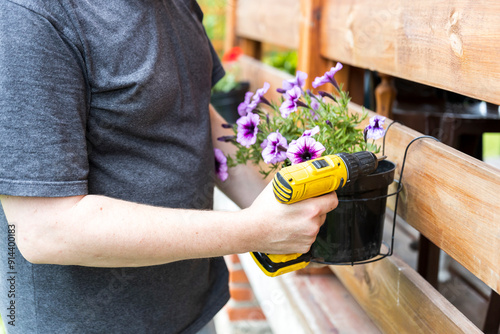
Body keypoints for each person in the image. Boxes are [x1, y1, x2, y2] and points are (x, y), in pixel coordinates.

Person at [0, 1, 338, 333]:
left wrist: (276, 194)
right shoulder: (27, 17)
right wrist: (255, 229)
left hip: (195, 309)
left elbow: (191, 109)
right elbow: (46, 230)